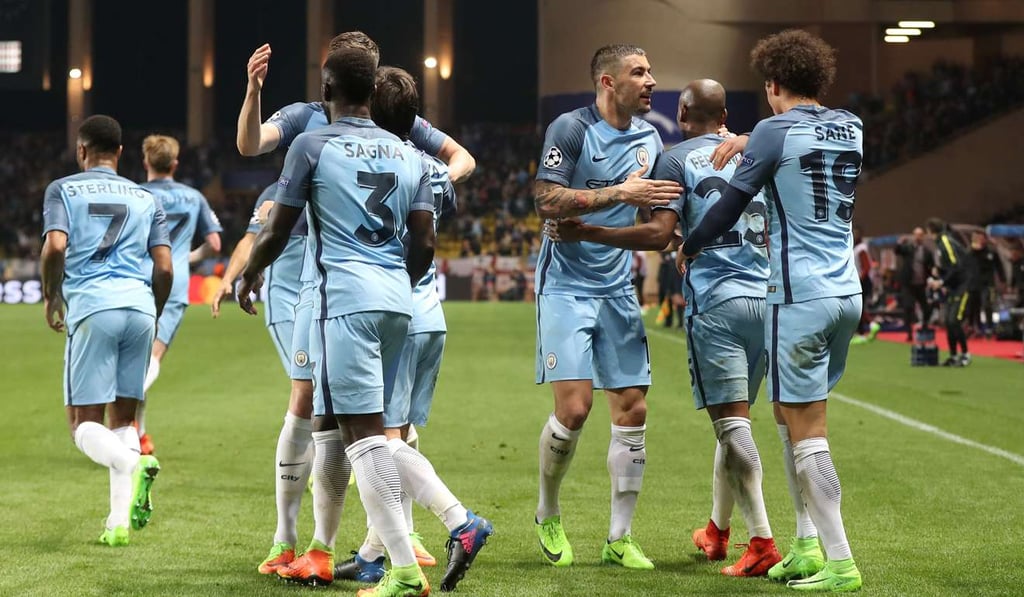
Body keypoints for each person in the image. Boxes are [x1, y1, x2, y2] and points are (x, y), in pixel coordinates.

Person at [227, 31, 472, 577]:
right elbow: (428, 240)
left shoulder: (314, 143)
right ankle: (352, 548)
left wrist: (249, 272)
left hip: (337, 295)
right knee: (367, 422)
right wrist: (398, 278)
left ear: (329, 79)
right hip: (398, 298)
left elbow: (276, 225)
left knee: (344, 426)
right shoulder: (407, 152)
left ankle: (434, 535)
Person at [546, 79, 782, 578]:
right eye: (640, 72)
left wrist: (594, 231)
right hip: (770, 299)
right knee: (737, 421)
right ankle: (718, 532)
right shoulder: (761, 148)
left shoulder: (670, 154)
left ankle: (760, 537)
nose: (650, 79)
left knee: (729, 423)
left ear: (682, 111)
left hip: (717, 301)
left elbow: (657, 233)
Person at [679, 29, 864, 592]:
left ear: (773, 84)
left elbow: (730, 204)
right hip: (846, 292)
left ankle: (839, 560)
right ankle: (806, 545)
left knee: (807, 430)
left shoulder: (771, 129)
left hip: (798, 294)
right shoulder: (853, 126)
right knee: (788, 415)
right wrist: (752, 143)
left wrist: (688, 247)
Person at [333, 65, 493, 594]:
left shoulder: (371, 161)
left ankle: (458, 522)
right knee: (393, 436)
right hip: (427, 314)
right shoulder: (427, 167)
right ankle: (375, 555)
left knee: (376, 442)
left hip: (387, 311)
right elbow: (455, 167)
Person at [532, 43, 684, 571]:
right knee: (574, 410)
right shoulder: (571, 129)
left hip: (618, 288)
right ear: (607, 82)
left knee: (634, 409)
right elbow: (546, 199)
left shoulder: (650, 138)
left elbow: (654, 217)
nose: (651, 80)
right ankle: (548, 512)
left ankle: (619, 537)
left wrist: (668, 230)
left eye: (650, 70)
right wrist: (618, 193)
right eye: (639, 72)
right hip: (566, 285)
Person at [40, 114, 172, 546]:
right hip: (139, 309)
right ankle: (117, 524)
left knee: (82, 425)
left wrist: (51, 294)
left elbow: (55, 246)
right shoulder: (146, 197)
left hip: (94, 308)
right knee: (124, 419)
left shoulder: (63, 189)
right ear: (119, 153)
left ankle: (134, 467)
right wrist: (154, 308)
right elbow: (165, 266)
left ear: (81, 151)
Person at [136, 134, 222, 454]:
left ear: (146, 162)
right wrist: (187, 257)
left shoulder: (136, 194)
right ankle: (124, 408)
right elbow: (214, 245)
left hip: (136, 280)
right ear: (174, 164)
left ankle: (139, 432)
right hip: (173, 282)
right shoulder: (193, 196)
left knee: (137, 360)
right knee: (153, 358)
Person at [926, 218, 974, 366]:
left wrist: (941, 282)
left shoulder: (945, 241)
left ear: (930, 230)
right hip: (954, 286)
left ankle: (965, 354)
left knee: (954, 320)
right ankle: (953, 355)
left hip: (963, 285)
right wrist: (939, 272)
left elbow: (956, 265)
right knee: (948, 321)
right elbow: (950, 267)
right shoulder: (941, 243)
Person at [895, 227, 935, 340]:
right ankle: (909, 332)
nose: (918, 237)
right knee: (908, 307)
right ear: (913, 236)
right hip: (908, 283)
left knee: (926, 307)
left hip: (921, 284)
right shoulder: (908, 248)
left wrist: (932, 277)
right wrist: (899, 242)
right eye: (916, 235)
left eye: (921, 235)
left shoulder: (927, 251)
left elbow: (931, 266)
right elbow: (897, 251)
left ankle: (924, 326)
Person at [968, 230, 1005, 339]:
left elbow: (999, 266)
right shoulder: (970, 251)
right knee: (974, 306)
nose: (979, 240)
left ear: (985, 238)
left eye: (981, 237)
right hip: (973, 283)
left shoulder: (991, 251)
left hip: (988, 284)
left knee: (987, 304)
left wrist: (1003, 280)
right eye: (976, 237)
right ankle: (975, 327)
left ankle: (989, 327)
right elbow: (964, 265)